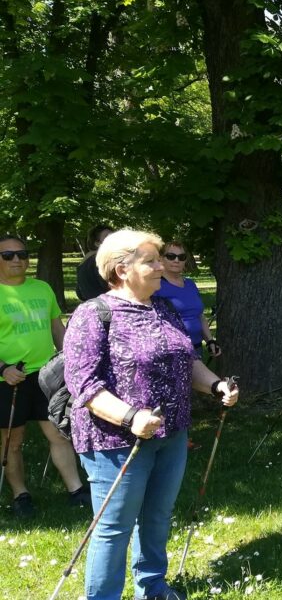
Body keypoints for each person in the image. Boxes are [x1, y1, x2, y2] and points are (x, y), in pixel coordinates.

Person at [63, 229, 239, 600]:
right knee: (114, 527)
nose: (162, 266)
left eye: (161, 259)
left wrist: (215, 385)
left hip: (171, 433)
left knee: (158, 517)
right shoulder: (93, 314)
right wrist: (130, 418)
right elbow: (85, 385)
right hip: (115, 442)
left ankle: (153, 586)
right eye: (152, 261)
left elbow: (187, 361)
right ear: (122, 270)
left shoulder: (164, 308)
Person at [0, 235, 89, 519]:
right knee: (12, 441)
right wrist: (3, 368)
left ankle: (76, 490)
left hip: (46, 375)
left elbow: (57, 328)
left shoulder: (42, 288)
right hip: (9, 379)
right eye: (8, 256)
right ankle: (20, 495)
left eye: (22, 254)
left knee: (59, 434)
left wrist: (69, 360)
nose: (17, 260)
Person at [153, 241, 221, 357]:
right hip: (171, 352)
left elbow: (199, 315)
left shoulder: (190, 284)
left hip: (197, 347)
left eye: (181, 257)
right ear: (160, 259)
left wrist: (210, 340)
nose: (176, 260)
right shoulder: (154, 285)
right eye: (171, 256)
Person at [76, 225, 113, 302]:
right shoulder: (101, 260)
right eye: (108, 237)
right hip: (107, 308)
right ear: (97, 243)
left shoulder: (84, 262)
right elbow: (113, 287)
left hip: (92, 306)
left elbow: (79, 292)